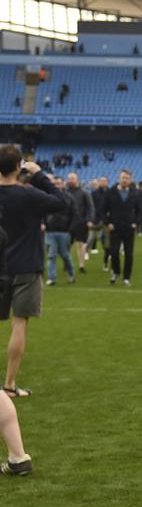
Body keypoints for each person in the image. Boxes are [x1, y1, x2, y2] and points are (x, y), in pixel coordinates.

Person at [0, 148, 68, 398]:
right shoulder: (28, 194)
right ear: (19, 166)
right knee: (19, 324)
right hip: (26, 266)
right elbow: (62, 202)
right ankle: (8, 383)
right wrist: (39, 175)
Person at [102, 169, 142, 286]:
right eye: (123, 178)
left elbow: (140, 210)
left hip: (129, 227)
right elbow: (103, 210)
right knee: (114, 253)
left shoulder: (135, 193)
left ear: (130, 180)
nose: (125, 180)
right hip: (114, 227)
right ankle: (116, 272)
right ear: (119, 178)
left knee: (129, 254)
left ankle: (126, 277)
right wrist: (107, 223)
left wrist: (136, 222)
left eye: (127, 178)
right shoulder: (111, 192)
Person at [43, 176, 76, 286]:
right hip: (50, 231)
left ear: (63, 184)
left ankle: (71, 274)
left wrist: (69, 229)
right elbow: (42, 212)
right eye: (55, 183)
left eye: (59, 183)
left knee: (65, 255)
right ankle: (52, 278)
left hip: (64, 231)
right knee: (51, 255)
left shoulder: (69, 198)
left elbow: (75, 214)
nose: (57, 185)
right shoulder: (47, 197)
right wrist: (44, 223)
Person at [64, 172, 93, 274]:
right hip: (68, 223)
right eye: (69, 178)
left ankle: (81, 265)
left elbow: (90, 207)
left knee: (81, 244)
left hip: (81, 222)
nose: (71, 180)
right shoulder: (65, 192)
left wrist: (89, 220)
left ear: (77, 180)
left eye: (73, 178)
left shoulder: (84, 193)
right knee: (67, 244)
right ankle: (67, 264)